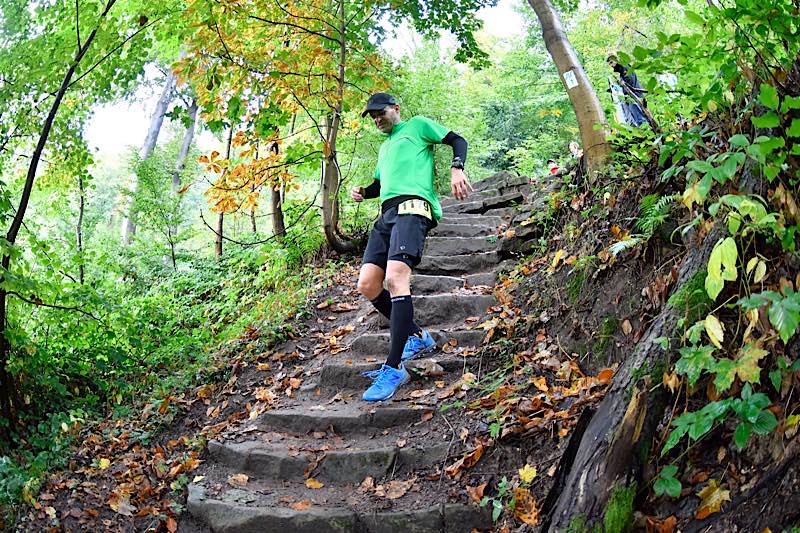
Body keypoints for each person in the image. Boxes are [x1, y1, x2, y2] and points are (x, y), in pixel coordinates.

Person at [350, 92, 472, 402]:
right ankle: (417, 335)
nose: (377, 119)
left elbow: (457, 140)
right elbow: (381, 185)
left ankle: (394, 368)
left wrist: (457, 167)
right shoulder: (384, 146)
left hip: (414, 208)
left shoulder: (417, 126)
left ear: (395, 109)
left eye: (381, 112)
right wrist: (365, 192)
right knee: (367, 284)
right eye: (372, 116)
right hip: (386, 215)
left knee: (395, 279)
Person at [606, 55, 648, 127]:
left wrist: (622, 85)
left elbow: (629, 81)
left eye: (611, 62)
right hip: (631, 96)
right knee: (635, 115)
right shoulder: (621, 68)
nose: (611, 65)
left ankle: (646, 131)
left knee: (639, 116)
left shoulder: (623, 67)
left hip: (634, 95)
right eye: (609, 64)